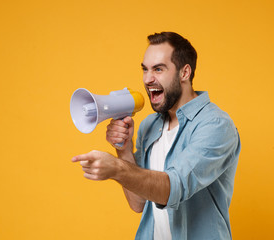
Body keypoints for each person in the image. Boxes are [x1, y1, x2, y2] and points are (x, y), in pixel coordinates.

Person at [72, 32, 241, 240]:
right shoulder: (149, 126)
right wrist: (123, 150)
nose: (147, 79)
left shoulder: (215, 125)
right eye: (145, 69)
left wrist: (117, 168)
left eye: (158, 69)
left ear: (184, 73)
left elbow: (173, 188)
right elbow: (138, 202)